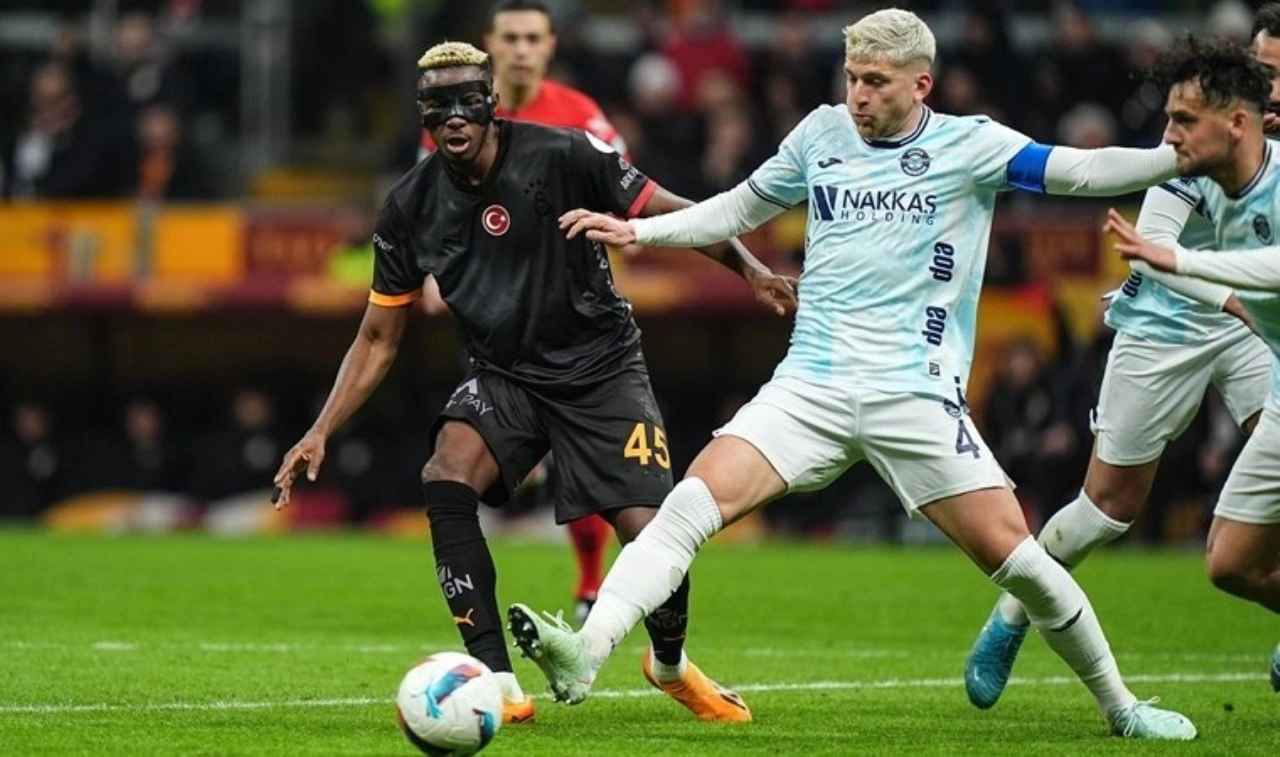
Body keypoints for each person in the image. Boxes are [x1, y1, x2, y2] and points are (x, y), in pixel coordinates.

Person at [506, 9, 1196, 740]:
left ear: (921, 84)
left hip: (915, 397)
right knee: (686, 509)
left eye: (876, 82)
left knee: (1020, 562)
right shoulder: (822, 134)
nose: (858, 96)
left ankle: (1122, 707)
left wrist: (1175, 160)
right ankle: (586, 653)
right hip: (811, 387)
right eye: (852, 78)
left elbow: (1081, 170)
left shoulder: (970, 145)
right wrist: (639, 230)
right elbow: (735, 208)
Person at [272, 41, 796, 726]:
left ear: (491, 103)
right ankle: (497, 681)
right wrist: (320, 430)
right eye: (437, 105)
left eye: (467, 101)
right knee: (445, 474)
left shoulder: (564, 154)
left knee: (650, 533)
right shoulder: (409, 206)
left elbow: (670, 210)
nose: (453, 117)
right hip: (506, 377)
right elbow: (377, 336)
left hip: (602, 369)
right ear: (422, 115)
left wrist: (750, 268)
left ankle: (670, 665)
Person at [962, 12, 1280, 709]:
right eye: (1266, 73)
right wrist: (1231, 295)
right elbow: (1156, 250)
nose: (1274, 88)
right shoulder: (1191, 146)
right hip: (1169, 322)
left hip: (1255, 322)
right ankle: (1013, 614)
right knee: (1107, 507)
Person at [421, 1, 628, 625]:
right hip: (492, 310)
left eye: (532, 38)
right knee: (478, 449)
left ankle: (589, 583)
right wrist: (432, 272)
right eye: (509, 37)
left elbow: (622, 200)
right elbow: (428, 202)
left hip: (568, 308)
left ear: (550, 45)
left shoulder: (581, 116)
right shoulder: (456, 114)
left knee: (581, 456)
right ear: (489, 44)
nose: (520, 49)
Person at [1098, 36, 1280, 693]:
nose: (1169, 135)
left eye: (1183, 120)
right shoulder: (1206, 176)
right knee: (1229, 563)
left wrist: (1184, 261)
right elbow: (1110, 188)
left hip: (1255, 347)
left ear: (1236, 121)